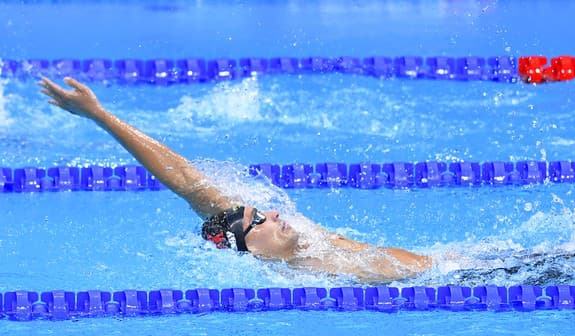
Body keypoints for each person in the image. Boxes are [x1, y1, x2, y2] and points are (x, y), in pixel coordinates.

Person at [39, 77, 432, 283]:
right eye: (257, 221)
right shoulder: (291, 277)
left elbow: (186, 180)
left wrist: (101, 116)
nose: (274, 214)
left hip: (453, 266)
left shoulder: (309, 241)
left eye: (261, 213)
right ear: (249, 250)